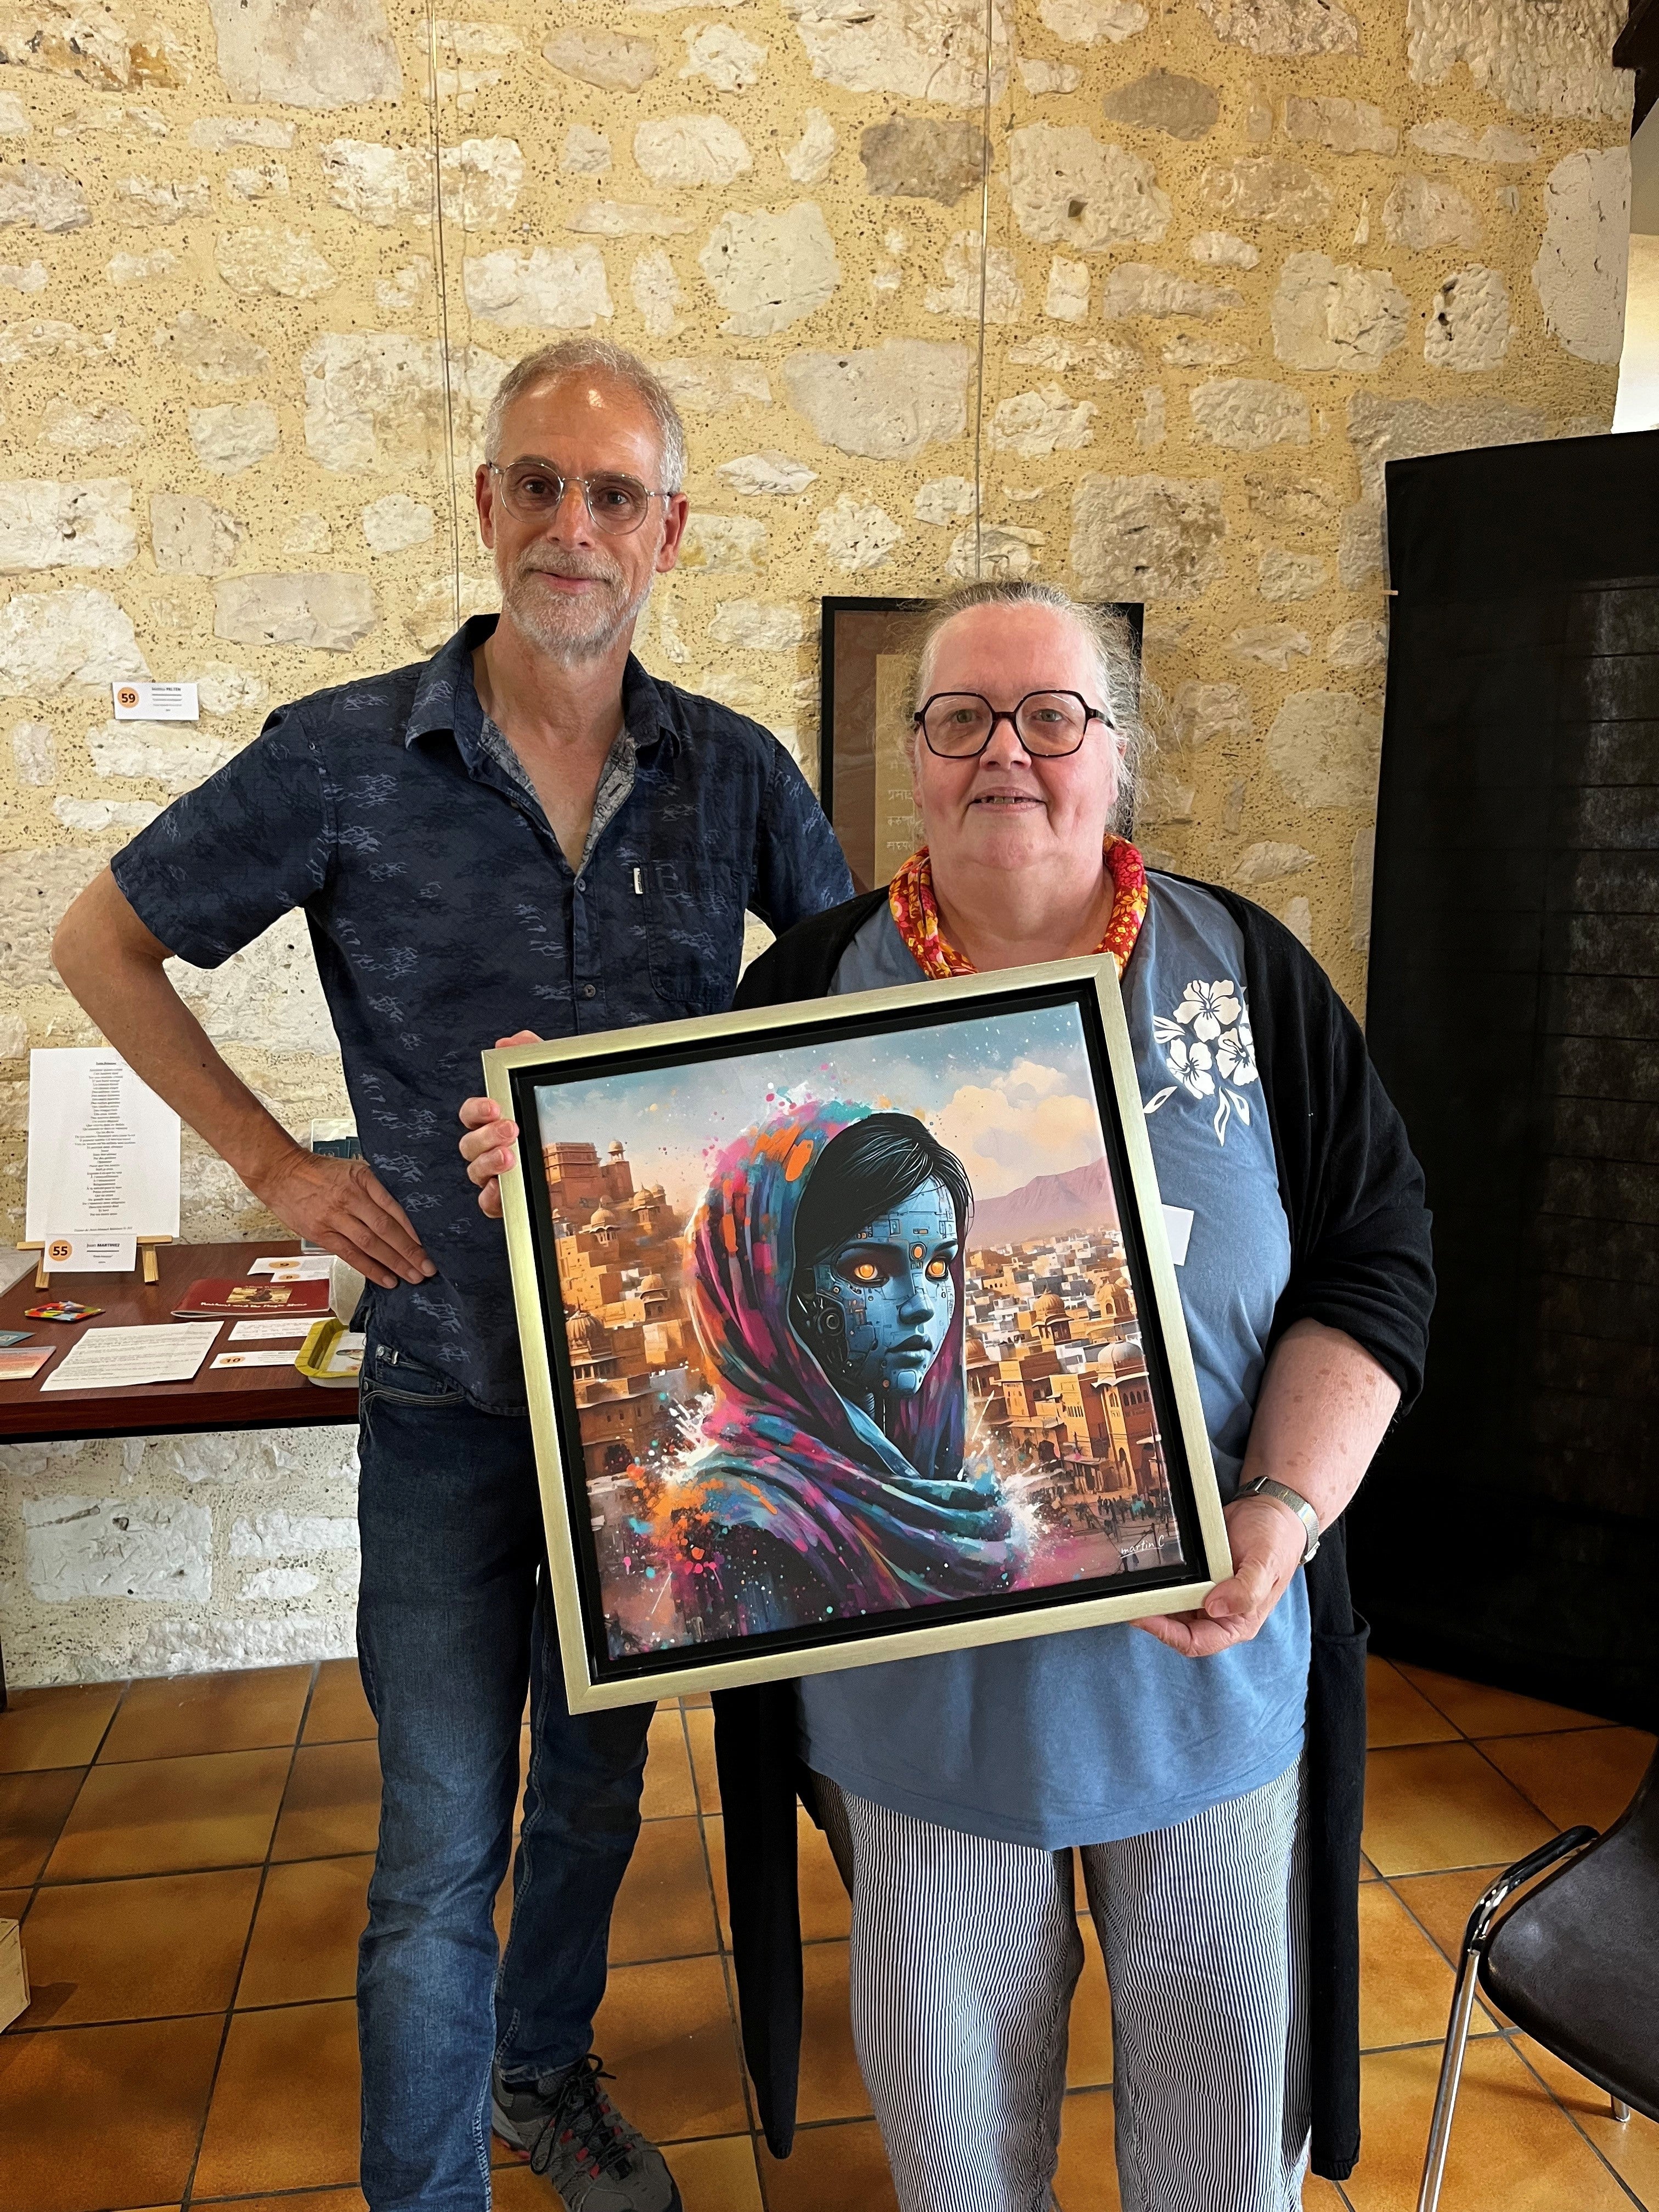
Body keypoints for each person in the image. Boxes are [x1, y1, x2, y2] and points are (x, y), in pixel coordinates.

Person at [464, 576, 1434, 2212]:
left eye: (1052, 717)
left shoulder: (1246, 975)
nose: (1007, 752)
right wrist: (558, 1181)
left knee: (1223, 2138)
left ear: (1115, 753)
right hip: (918, 1727)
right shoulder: (807, 987)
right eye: (962, 718)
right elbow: (716, 1295)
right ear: (911, 757)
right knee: (960, 2152)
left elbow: (1377, 1253)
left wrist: (1284, 1505)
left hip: (1206, 1684)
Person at [51, 336, 853, 2212]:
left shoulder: (736, 772)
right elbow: (101, 943)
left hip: (655, 1411)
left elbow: (844, 1023)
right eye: (540, 485)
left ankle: (541, 2072)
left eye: (615, 495)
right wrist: (275, 1168)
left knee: (594, 1796)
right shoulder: (344, 757)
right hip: (442, 1393)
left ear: (669, 532)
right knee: (432, 1850)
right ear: (488, 505)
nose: (574, 525)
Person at [666, 1104, 1012, 1635]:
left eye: (939, 1265)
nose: (921, 1305)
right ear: (769, 1291)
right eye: (868, 1269)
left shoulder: (938, 1485)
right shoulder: (736, 1523)